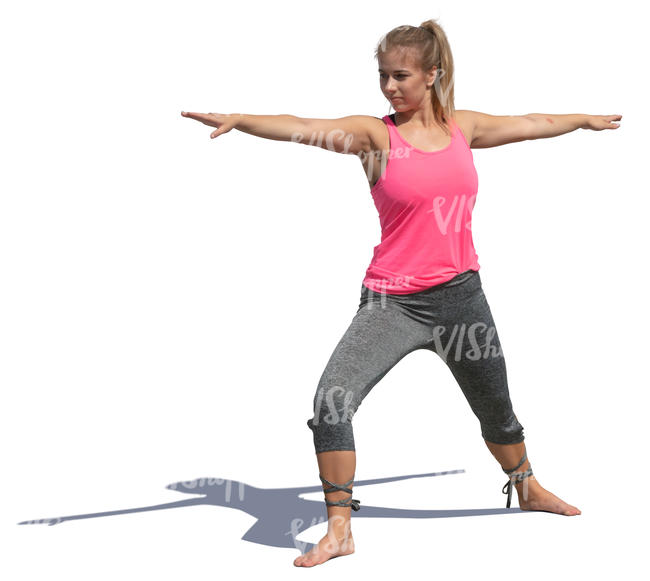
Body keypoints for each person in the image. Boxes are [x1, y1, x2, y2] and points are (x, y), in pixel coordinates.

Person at [182, 19, 620, 568]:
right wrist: (242, 120)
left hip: (462, 299)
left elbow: (530, 122)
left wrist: (581, 120)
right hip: (392, 303)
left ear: (433, 75)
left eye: (401, 76)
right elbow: (302, 126)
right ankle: (339, 530)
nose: (390, 87)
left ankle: (528, 488)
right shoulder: (374, 136)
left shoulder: (465, 128)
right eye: (383, 76)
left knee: (498, 412)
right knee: (331, 403)